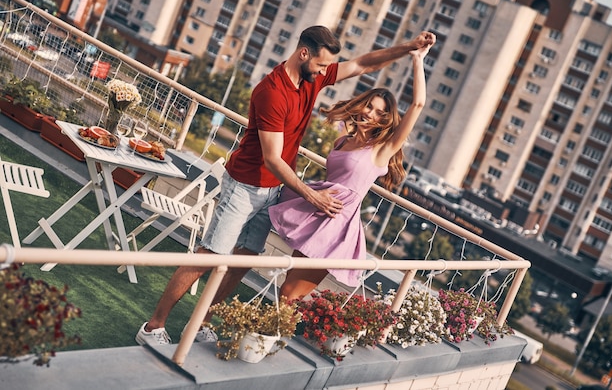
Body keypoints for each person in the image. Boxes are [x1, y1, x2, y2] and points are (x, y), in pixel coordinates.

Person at [136, 26, 434, 345]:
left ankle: (201, 322)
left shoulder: (312, 78)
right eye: (321, 65)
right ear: (303, 53)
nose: (324, 73)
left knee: (245, 260)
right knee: (210, 255)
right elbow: (273, 159)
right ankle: (154, 326)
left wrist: (410, 49)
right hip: (246, 186)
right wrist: (312, 196)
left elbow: (364, 64)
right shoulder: (271, 92)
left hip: (274, 192)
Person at [271, 33, 435, 299]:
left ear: (386, 119)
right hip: (317, 212)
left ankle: (269, 337)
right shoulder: (341, 141)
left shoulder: (383, 150)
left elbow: (417, 104)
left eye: (379, 112)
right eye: (369, 107)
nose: (370, 114)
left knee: (290, 293)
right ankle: (269, 337)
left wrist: (417, 59)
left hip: (338, 224)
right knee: (287, 291)